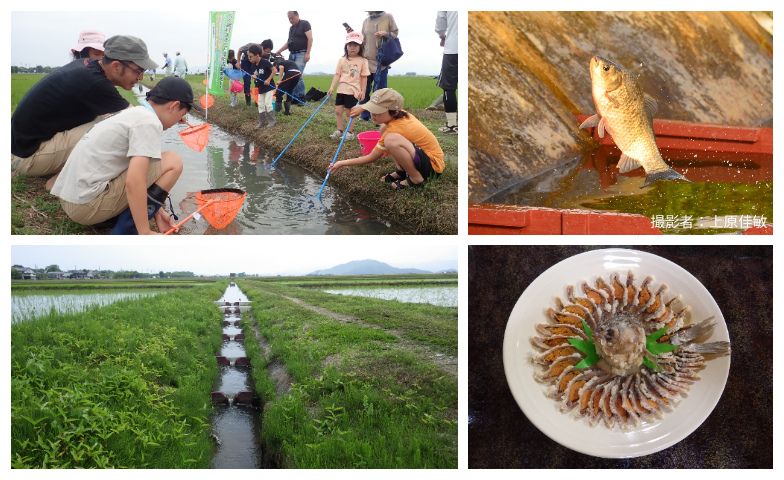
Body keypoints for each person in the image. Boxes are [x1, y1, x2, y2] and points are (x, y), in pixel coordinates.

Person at [50, 77, 192, 235]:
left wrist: (158, 212)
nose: (177, 122)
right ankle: (128, 229)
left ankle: (126, 218)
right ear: (174, 106)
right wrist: (145, 231)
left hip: (72, 200)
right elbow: (134, 181)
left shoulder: (133, 113)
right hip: (85, 207)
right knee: (172, 161)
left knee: (153, 160)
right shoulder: (149, 122)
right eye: (181, 116)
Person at [12, 35, 157, 182]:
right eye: (138, 71)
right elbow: (139, 120)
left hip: (21, 147)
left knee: (111, 120)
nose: (140, 78)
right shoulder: (95, 82)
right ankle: (64, 179)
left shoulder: (88, 66)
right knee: (120, 128)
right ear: (116, 66)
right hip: (28, 158)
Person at [328, 88, 445, 190]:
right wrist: (362, 108)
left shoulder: (396, 129)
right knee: (384, 129)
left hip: (433, 166)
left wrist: (342, 163)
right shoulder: (400, 114)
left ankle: (416, 178)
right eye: (372, 110)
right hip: (422, 156)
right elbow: (379, 105)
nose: (373, 114)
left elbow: (371, 157)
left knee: (391, 141)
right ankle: (402, 171)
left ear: (394, 112)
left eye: (378, 112)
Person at [326, 31, 369, 140]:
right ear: (346, 46)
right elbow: (337, 74)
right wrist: (332, 87)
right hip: (341, 89)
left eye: (355, 45)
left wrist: (363, 91)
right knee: (338, 111)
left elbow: (364, 77)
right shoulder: (341, 60)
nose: (352, 47)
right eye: (350, 45)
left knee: (351, 113)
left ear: (360, 47)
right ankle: (340, 130)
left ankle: (349, 133)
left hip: (353, 91)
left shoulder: (363, 61)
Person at [358, 11, 398, 121]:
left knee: (380, 91)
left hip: (381, 62)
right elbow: (363, 39)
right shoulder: (366, 21)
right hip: (366, 60)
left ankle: (380, 116)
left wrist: (386, 34)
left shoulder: (388, 17)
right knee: (364, 89)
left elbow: (395, 34)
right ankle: (365, 115)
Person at [274, 11, 312, 105]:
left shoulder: (305, 24)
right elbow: (289, 42)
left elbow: (310, 38)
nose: (290, 20)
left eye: (292, 18)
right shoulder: (291, 28)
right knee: (290, 76)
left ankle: (301, 98)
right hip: (292, 54)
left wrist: (308, 53)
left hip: (301, 53)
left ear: (297, 15)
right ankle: (293, 97)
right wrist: (279, 50)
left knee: (296, 75)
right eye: (289, 18)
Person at [436, 11, 458, 134]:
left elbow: (440, 24)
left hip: (453, 49)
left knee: (448, 88)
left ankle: (452, 125)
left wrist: (442, 36)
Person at [248, 43, 276, 128]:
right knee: (260, 104)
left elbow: (274, 70)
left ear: (257, 55)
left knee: (268, 104)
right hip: (261, 88)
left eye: (251, 56)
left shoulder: (265, 62)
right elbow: (256, 75)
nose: (249, 59)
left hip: (269, 87)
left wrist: (268, 79)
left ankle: (272, 121)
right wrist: (254, 77)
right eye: (249, 57)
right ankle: (262, 122)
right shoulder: (253, 65)